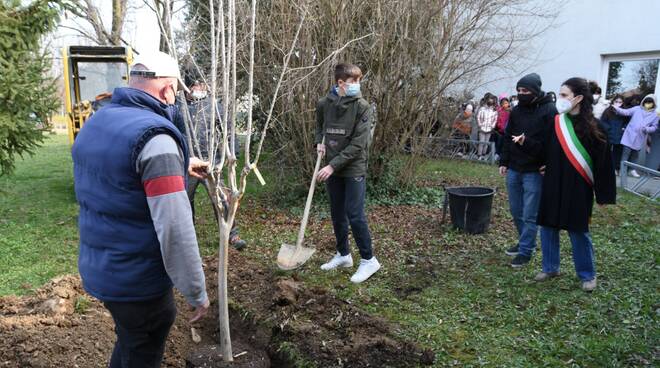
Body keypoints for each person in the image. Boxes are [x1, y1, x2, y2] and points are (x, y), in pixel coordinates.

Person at [72, 51, 210, 367]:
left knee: (131, 342)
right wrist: (195, 290)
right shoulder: (156, 140)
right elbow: (175, 227)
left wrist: (176, 166)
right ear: (166, 90)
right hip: (137, 278)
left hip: (102, 266)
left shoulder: (99, 121)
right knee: (143, 347)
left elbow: (119, 171)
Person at [513, 77, 615, 291]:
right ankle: (550, 267)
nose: (560, 99)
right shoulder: (557, 122)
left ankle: (587, 275)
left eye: (564, 95)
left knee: (578, 230)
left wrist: (604, 195)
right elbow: (545, 149)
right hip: (553, 182)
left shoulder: (596, 128)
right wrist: (526, 143)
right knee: (548, 226)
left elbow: (604, 164)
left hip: (578, 187)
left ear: (578, 98)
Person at [315, 63, 380, 283]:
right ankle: (343, 255)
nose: (357, 85)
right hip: (332, 165)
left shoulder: (363, 107)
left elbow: (358, 145)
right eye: (353, 82)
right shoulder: (325, 103)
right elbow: (319, 126)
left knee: (354, 214)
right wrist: (319, 143)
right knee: (337, 213)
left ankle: (369, 260)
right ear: (340, 83)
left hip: (353, 167)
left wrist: (332, 165)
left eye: (359, 81)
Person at [176, 80, 247, 250]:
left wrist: (232, 154)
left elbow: (228, 131)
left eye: (202, 85)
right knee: (184, 201)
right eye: (196, 85)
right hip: (187, 162)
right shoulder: (178, 106)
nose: (200, 88)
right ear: (188, 86)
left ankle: (232, 234)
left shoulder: (214, 106)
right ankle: (187, 239)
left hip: (211, 162)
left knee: (222, 199)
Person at [499, 73, 557, 268]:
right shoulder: (516, 111)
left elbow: (552, 143)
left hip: (534, 170)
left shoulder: (549, 110)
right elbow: (507, 136)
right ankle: (525, 241)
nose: (521, 94)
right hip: (515, 167)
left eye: (525, 91)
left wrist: (548, 161)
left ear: (535, 90)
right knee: (516, 210)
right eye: (519, 91)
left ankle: (526, 250)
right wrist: (504, 161)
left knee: (530, 213)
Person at [614, 94, 659, 177]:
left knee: (634, 155)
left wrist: (647, 129)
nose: (648, 104)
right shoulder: (637, 109)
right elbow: (626, 112)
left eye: (650, 102)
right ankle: (622, 171)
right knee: (625, 154)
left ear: (654, 103)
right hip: (629, 135)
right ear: (643, 102)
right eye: (646, 102)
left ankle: (631, 170)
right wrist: (616, 108)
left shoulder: (655, 115)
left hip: (640, 137)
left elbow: (654, 127)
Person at [599, 94, 626, 174]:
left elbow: (627, 122)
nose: (618, 103)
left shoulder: (624, 112)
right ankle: (603, 167)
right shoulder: (608, 111)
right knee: (605, 152)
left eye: (620, 102)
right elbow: (603, 121)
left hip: (620, 136)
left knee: (617, 154)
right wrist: (608, 129)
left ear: (623, 103)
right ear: (613, 102)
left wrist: (623, 128)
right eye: (616, 101)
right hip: (609, 135)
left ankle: (615, 168)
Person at [477, 94, 498, 158]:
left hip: (489, 129)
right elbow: (478, 117)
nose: (490, 101)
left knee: (486, 143)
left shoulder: (494, 111)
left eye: (492, 100)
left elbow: (495, 119)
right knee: (481, 142)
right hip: (482, 128)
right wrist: (480, 124)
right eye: (489, 99)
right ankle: (479, 155)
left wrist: (492, 126)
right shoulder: (482, 109)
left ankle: (483, 154)